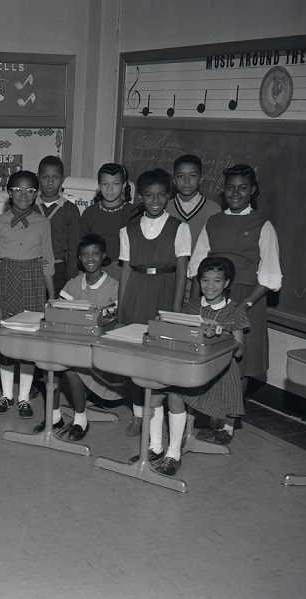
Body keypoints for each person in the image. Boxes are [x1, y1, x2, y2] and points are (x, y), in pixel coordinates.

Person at [190, 164, 281, 394]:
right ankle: (212, 416)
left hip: (247, 301)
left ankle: (228, 425)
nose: (236, 193)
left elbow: (270, 275)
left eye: (242, 188)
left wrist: (243, 307)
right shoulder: (213, 222)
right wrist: (192, 307)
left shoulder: (263, 225)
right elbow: (197, 267)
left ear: (252, 190)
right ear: (224, 190)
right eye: (230, 188)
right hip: (213, 299)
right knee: (209, 356)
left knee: (240, 363)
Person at [155, 257, 249, 476]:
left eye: (217, 281)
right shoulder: (193, 307)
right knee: (155, 393)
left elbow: (240, 351)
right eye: (205, 280)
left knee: (175, 397)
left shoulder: (235, 311)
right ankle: (155, 447)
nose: (210, 286)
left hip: (220, 373)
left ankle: (173, 454)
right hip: (193, 366)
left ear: (227, 284)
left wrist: (221, 332)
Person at [118, 168, 191, 436]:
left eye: (161, 195)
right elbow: (126, 270)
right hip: (136, 291)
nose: (156, 200)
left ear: (169, 196)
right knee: (137, 359)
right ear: (141, 197)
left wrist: (175, 311)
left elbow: (182, 270)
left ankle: (160, 419)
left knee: (160, 359)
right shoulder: (128, 230)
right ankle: (139, 415)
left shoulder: (180, 228)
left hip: (164, 290)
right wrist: (122, 306)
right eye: (149, 195)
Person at [38, 235, 125, 441]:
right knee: (49, 363)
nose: (90, 258)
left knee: (71, 370)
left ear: (104, 256)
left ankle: (80, 418)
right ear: (79, 258)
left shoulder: (114, 286)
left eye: (95, 254)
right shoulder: (74, 283)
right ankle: (55, 415)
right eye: (85, 255)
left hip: (99, 345)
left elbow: (113, 318)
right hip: (73, 340)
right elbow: (59, 308)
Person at [0, 170, 55, 419]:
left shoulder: (43, 222)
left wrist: (52, 296)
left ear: (36, 194)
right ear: (9, 193)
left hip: (34, 279)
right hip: (6, 277)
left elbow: (47, 260)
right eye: (18, 190)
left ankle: (24, 398)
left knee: (28, 339)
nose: (23, 195)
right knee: (6, 337)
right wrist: (10, 264)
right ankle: (6, 394)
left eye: (29, 191)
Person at [79, 163, 138, 280]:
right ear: (99, 186)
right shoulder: (89, 212)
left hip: (124, 268)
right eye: (105, 184)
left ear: (124, 185)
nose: (109, 188)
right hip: (95, 267)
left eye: (115, 184)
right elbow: (82, 246)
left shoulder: (133, 212)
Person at [34, 155, 80, 295]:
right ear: (38, 177)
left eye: (56, 178)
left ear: (63, 179)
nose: (50, 183)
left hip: (60, 269)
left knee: (56, 312)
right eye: (45, 177)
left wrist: (71, 277)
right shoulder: (29, 207)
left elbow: (74, 247)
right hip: (32, 268)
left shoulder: (70, 210)